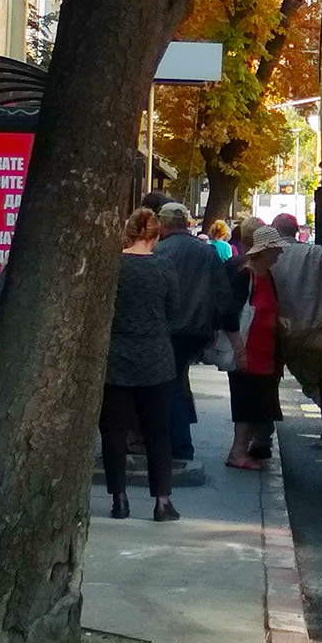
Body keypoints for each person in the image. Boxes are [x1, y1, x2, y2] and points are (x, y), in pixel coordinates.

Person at [100, 209, 181, 522]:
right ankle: (162, 502)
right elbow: (174, 310)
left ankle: (119, 499)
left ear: (129, 233)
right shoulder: (164, 266)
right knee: (158, 431)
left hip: (116, 355)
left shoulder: (113, 266)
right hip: (156, 357)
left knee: (113, 431)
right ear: (156, 235)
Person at [152, 202, 232, 462]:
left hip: (167, 328)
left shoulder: (159, 251)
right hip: (197, 330)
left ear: (162, 224)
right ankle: (180, 437)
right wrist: (216, 326)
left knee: (170, 385)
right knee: (178, 380)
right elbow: (222, 293)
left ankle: (180, 445)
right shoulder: (206, 252)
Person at [269, 213, 322, 445]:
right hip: (321, 332)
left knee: (295, 383)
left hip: (285, 334)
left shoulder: (270, 258)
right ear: (296, 231)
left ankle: (264, 434)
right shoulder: (316, 254)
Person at [224, 225, 285, 468]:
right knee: (246, 403)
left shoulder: (266, 275)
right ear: (264, 251)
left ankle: (241, 451)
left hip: (264, 352)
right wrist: (239, 351)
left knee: (257, 403)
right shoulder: (245, 275)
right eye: (275, 250)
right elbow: (229, 315)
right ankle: (237, 452)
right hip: (249, 351)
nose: (279, 254)